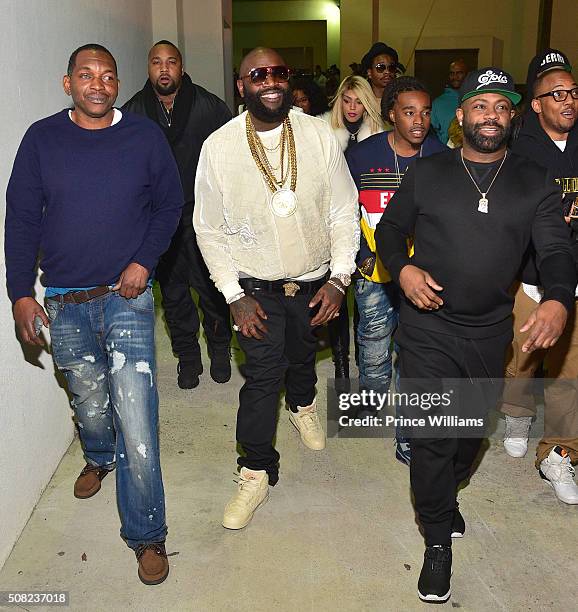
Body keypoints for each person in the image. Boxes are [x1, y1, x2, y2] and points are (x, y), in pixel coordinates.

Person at [375, 67, 575, 603]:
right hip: (427, 326)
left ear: (512, 118)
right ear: (460, 116)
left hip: (490, 330)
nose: (491, 115)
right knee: (434, 435)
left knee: (470, 432)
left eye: (502, 107)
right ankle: (436, 539)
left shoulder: (533, 181)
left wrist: (556, 298)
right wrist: (404, 269)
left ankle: (449, 489)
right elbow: (390, 230)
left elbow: (556, 249)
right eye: (480, 105)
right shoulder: (429, 172)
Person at [5, 44, 184, 585]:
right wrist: (20, 293)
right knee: (90, 404)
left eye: (108, 76)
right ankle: (98, 455)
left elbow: (170, 203)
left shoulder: (144, 137)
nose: (99, 84)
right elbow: (20, 219)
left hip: (126, 298)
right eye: (87, 75)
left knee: (137, 418)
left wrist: (143, 261)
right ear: (68, 84)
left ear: (116, 83)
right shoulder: (41, 139)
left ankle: (147, 535)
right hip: (64, 300)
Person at [193, 47, 359, 530]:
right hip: (254, 289)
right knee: (264, 377)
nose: (271, 81)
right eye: (258, 74)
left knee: (303, 356)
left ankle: (303, 404)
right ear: (241, 84)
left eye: (279, 73)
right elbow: (208, 229)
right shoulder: (219, 147)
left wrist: (339, 278)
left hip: (313, 282)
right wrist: (232, 294)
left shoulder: (317, 135)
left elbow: (344, 211)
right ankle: (255, 468)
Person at [346, 77, 446, 464]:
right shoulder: (362, 155)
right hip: (375, 272)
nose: (419, 121)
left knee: (417, 354)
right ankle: (371, 399)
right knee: (372, 343)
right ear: (391, 114)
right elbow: (341, 212)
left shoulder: (440, 157)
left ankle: (410, 434)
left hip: (424, 275)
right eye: (408, 112)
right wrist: (361, 257)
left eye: (424, 112)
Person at [123, 40, 233, 390]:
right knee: (172, 294)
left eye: (171, 62)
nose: (164, 69)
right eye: (157, 62)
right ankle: (188, 357)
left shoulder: (209, 106)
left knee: (211, 288)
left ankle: (219, 350)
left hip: (202, 215)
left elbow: (231, 160)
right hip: (158, 218)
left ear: (181, 67)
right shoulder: (133, 112)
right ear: (149, 68)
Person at [499, 48, 578, 504]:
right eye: (556, 93)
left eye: (572, 92)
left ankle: (559, 452)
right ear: (536, 103)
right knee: (521, 361)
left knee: (569, 372)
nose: (567, 101)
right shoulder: (519, 152)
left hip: (574, 280)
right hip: (531, 279)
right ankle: (515, 411)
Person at [320, 75, 383, 379]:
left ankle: (362, 357)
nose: (352, 107)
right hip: (332, 222)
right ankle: (341, 363)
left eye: (359, 101)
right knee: (336, 292)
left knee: (365, 293)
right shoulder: (323, 132)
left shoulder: (382, 134)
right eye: (347, 100)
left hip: (369, 222)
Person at [431, 59, 467, 143]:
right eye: (452, 73)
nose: (455, 77)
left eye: (459, 73)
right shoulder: (437, 103)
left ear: (467, 74)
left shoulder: (475, 100)